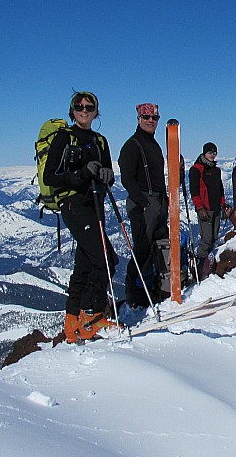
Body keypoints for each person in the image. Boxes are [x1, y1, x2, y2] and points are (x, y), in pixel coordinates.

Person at [42, 91, 118, 342]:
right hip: (73, 203)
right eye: (79, 106)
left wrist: (106, 175)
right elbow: (49, 177)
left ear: (96, 112)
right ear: (72, 111)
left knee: (85, 262)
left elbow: (108, 172)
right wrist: (82, 174)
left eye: (89, 107)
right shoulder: (65, 138)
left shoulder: (100, 141)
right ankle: (92, 316)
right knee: (106, 259)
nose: (84, 110)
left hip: (95, 203)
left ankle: (72, 319)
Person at [118, 103, 168, 308]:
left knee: (159, 245)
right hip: (145, 204)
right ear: (138, 119)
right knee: (142, 249)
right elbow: (127, 178)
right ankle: (136, 296)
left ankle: (156, 289)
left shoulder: (153, 144)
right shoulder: (133, 145)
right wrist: (143, 201)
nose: (150, 121)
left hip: (158, 200)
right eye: (146, 117)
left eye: (154, 118)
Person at [188, 142, 226, 280]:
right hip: (205, 209)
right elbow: (194, 190)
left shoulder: (216, 170)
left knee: (214, 238)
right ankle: (199, 269)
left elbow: (220, 189)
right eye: (210, 152)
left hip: (215, 208)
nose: (212, 155)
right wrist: (200, 207)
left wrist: (222, 204)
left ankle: (208, 266)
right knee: (206, 239)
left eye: (214, 153)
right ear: (204, 153)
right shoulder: (196, 169)